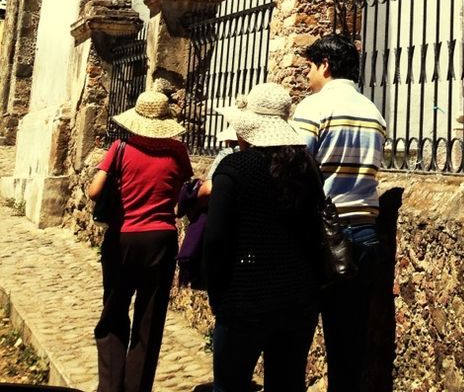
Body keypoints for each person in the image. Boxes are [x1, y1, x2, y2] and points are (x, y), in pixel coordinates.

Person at [203, 81, 325, 392]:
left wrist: (218, 294)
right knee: (286, 383)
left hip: (244, 298)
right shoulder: (307, 167)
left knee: (229, 385)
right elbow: (314, 229)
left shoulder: (234, 168)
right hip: (299, 295)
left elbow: (216, 238)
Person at [294, 34, 386, 392]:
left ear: (325, 66)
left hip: (321, 232)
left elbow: (296, 170)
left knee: (296, 330)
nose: (307, 76)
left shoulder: (314, 107)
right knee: (349, 338)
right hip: (365, 230)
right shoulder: (373, 111)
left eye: (310, 68)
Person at [88, 88, 192, 392]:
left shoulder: (120, 148)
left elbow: (95, 192)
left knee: (115, 309)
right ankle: (137, 387)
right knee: (150, 317)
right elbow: (182, 189)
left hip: (124, 238)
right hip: (162, 238)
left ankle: (110, 386)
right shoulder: (178, 151)